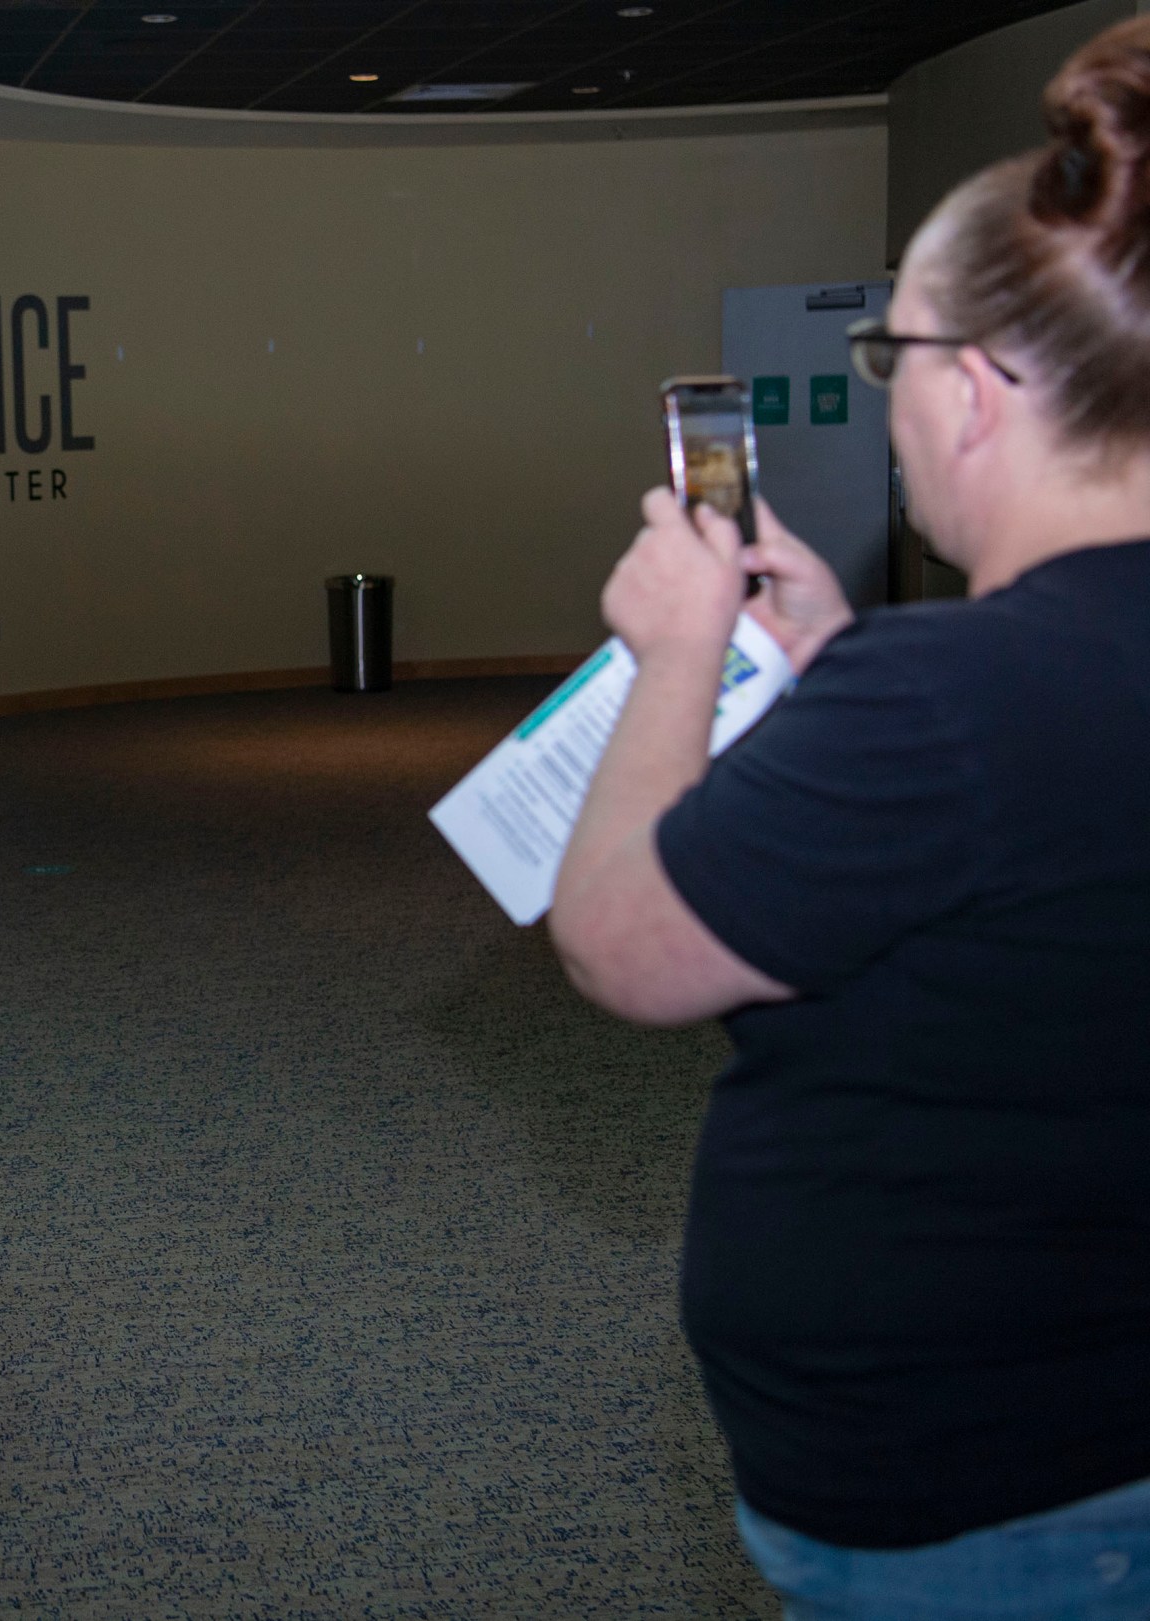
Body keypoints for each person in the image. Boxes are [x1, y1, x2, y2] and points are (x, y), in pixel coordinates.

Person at [548, 18, 1150, 1616]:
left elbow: (621, 946)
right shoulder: (965, 688)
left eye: (897, 354)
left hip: (992, 1497)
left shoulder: (953, 696)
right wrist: (834, 665)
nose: (884, 399)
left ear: (977, 392)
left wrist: (679, 655)